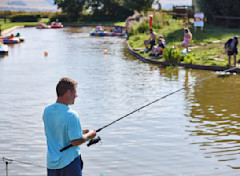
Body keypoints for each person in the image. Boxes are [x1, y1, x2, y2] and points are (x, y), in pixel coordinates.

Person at [43, 77, 96, 176]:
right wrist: (90, 135)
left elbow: (57, 130)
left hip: (52, 164)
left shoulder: (47, 111)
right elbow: (75, 141)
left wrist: (79, 131)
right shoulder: (71, 115)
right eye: (75, 92)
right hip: (69, 163)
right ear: (68, 93)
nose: (76, 95)